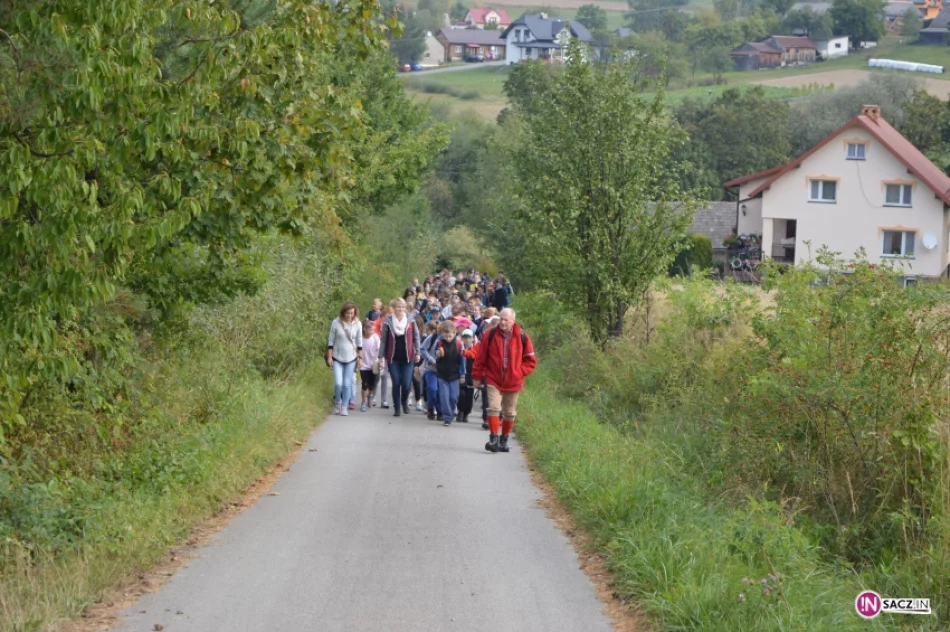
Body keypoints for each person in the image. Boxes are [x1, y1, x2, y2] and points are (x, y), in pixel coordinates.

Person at [472, 308, 536, 452]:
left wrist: (519, 372)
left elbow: (530, 361)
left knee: (509, 412)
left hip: (513, 381)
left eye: (506, 320)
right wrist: (476, 376)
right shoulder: (490, 335)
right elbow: (480, 358)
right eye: (501, 319)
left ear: (513, 321)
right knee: (494, 408)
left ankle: (504, 440)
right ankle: (493, 438)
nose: (502, 322)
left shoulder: (522, 336)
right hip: (493, 378)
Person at [378, 298, 421, 417]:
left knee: (406, 384)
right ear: (393, 308)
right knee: (396, 382)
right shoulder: (387, 321)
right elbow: (383, 340)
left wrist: (418, 352)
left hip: (408, 358)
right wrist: (381, 356)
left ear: (405, 308)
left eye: (402, 307)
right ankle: (397, 408)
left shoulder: (411, 320)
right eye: (398, 307)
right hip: (393, 358)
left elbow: (416, 337)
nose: (400, 309)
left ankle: (404, 402)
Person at [326, 301, 362, 417]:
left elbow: (359, 341)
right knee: (338, 383)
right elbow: (331, 341)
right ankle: (338, 402)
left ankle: (345, 406)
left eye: (352, 313)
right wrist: (329, 357)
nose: (350, 315)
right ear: (343, 312)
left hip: (351, 357)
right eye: (347, 313)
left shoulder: (358, 324)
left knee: (347, 384)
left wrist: (360, 358)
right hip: (337, 357)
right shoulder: (336, 323)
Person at [435, 320, 465, 426]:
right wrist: (437, 354)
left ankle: (451, 412)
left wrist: (462, 374)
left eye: (450, 336)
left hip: (454, 375)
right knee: (444, 396)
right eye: (446, 336)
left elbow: (462, 361)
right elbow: (435, 356)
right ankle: (447, 417)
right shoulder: (440, 342)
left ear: (454, 333)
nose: (448, 338)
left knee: (453, 397)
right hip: (442, 374)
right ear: (443, 334)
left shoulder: (459, 344)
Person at [420, 321, 442, 420]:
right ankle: (430, 407)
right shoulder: (432, 337)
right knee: (432, 389)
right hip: (431, 368)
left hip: (443, 371)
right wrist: (431, 359)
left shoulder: (450, 339)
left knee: (440, 392)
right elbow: (423, 349)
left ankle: (440, 411)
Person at [359, 320, 380, 412]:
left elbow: (379, 350)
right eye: (370, 330)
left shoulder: (375, 337)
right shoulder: (360, 338)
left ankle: (370, 397)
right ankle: (363, 402)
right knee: (365, 384)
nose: (372, 332)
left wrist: (380, 361)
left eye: (373, 330)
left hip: (373, 365)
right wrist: (358, 359)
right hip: (363, 365)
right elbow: (357, 349)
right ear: (364, 329)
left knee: (372, 385)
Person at [458, 330, 477, 423]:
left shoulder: (476, 349)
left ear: (473, 339)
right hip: (461, 375)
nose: (467, 340)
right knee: (461, 394)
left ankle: (466, 414)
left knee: (469, 396)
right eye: (465, 337)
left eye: (469, 337)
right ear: (462, 338)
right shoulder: (459, 349)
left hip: (471, 376)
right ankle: (460, 412)